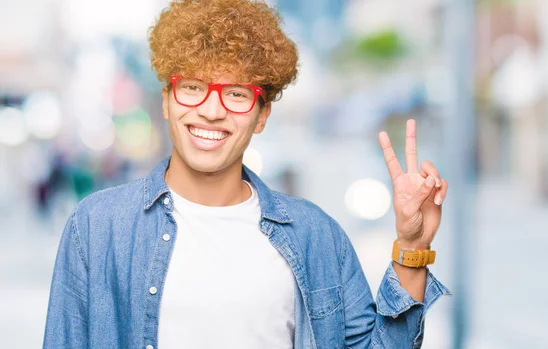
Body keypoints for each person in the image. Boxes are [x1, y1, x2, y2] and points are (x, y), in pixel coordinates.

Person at [43, 0, 450, 348]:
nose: (211, 110)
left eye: (236, 94)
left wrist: (412, 248)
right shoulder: (97, 228)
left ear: (261, 116)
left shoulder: (315, 235)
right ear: (167, 100)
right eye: (192, 87)